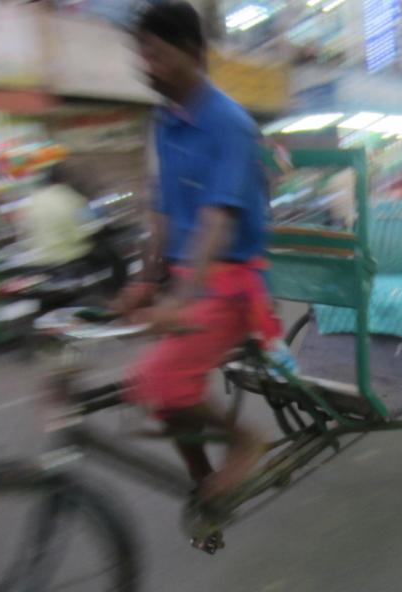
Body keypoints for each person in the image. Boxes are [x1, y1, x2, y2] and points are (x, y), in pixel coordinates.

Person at [115, 2, 286, 501]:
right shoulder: (165, 121)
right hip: (195, 281)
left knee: (158, 380)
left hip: (233, 285)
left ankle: (245, 441)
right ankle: (202, 481)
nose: (147, 66)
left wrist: (183, 298)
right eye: (141, 53)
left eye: (156, 53)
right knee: (155, 388)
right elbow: (163, 212)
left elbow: (218, 217)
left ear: (192, 51)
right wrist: (145, 282)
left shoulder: (228, 122)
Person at [16, 162, 94, 267]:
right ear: (65, 178)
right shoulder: (70, 196)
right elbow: (88, 228)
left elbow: (23, 234)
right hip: (70, 256)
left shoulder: (32, 200)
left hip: (39, 260)